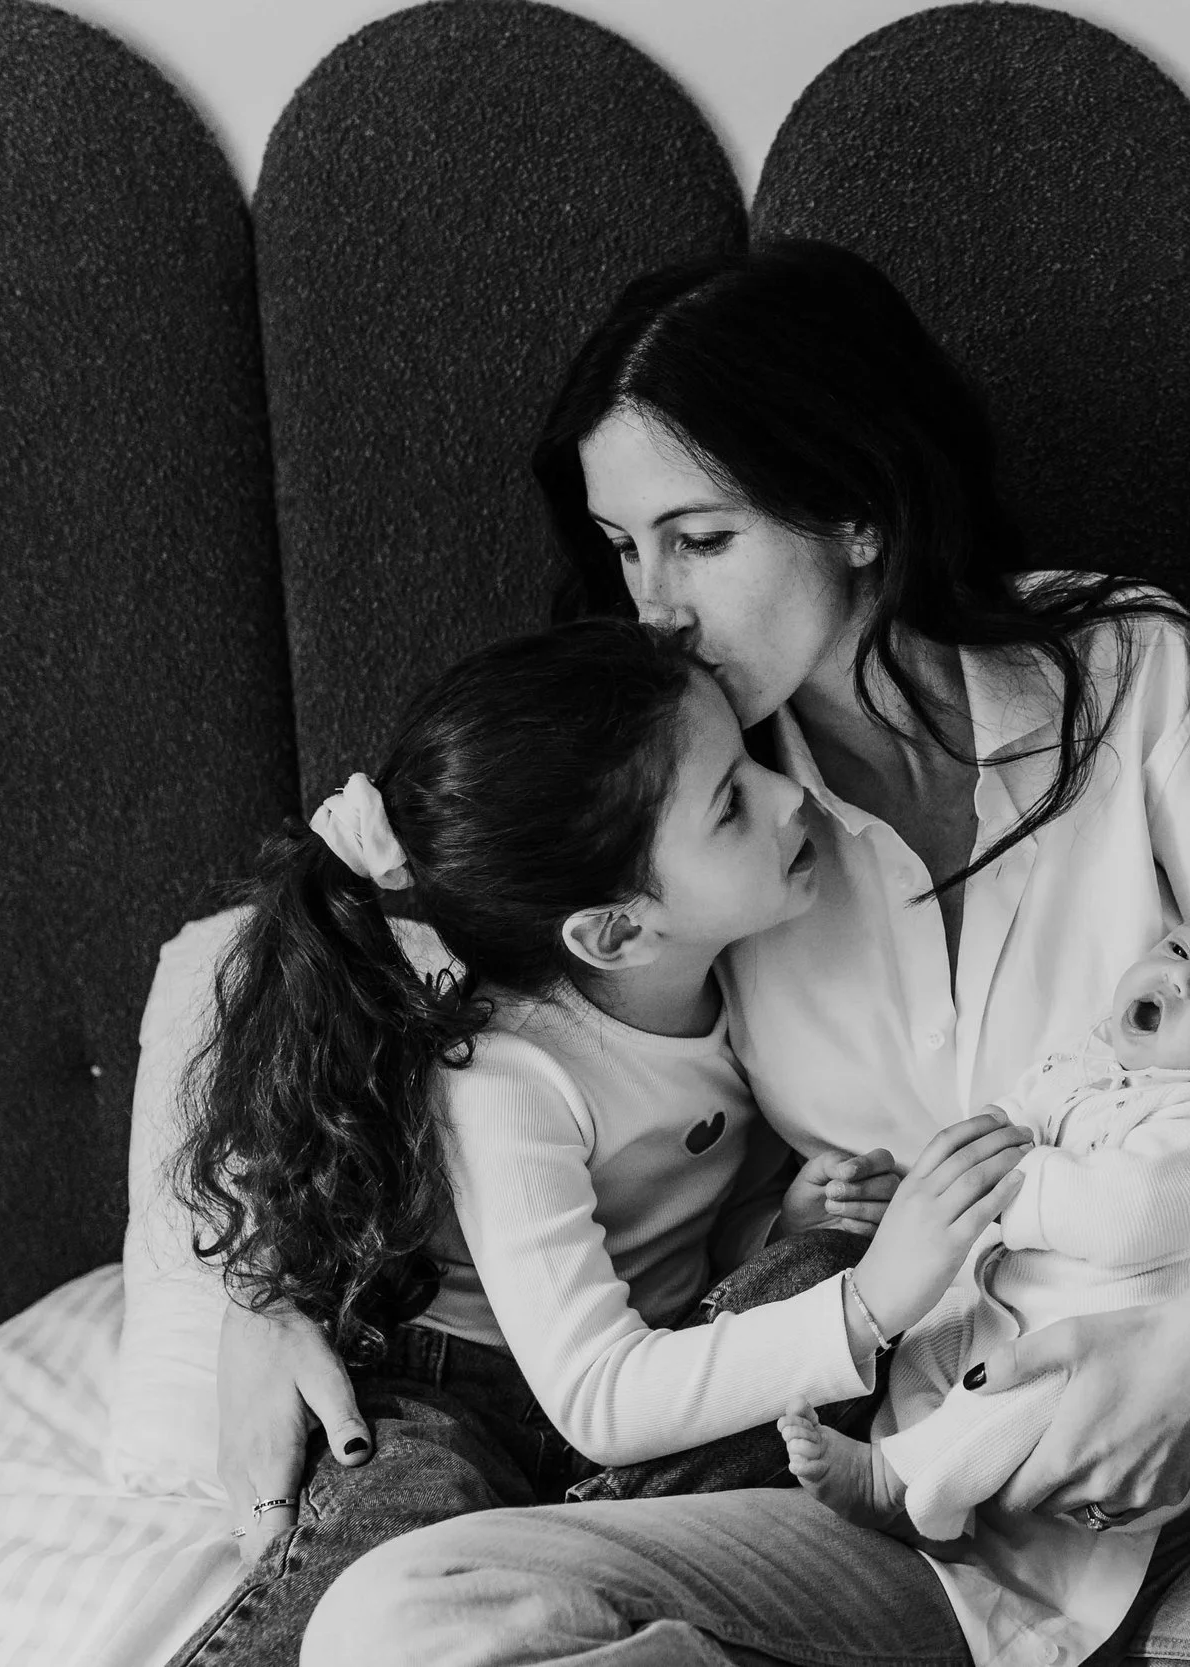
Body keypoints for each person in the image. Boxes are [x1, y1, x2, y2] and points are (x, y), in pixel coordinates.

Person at [284, 241, 1190, 1667]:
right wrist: (235, 1302)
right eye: (625, 548)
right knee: (410, 1613)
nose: (654, 606)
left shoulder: (1127, 673)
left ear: (854, 509)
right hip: (913, 1515)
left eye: (701, 538)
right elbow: (294, 946)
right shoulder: (678, 814)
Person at [164, 618, 1035, 1666]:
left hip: (643, 1384)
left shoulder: (745, 981)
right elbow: (596, 1390)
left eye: (753, 763)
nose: (789, 795)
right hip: (460, 1389)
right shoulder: (506, 1071)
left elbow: (693, 1248)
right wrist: (871, 1301)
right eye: (731, 802)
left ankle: (578, 1546)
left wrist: (780, 1223)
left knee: (816, 1270)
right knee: (382, 1554)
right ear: (615, 930)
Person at [780, 890, 1190, 1662]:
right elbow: (1009, 1119)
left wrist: (998, 1187)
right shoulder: (1092, 1059)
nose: (1181, 978)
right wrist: (933, 1180)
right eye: (1179, 948)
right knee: (936, 1346)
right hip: (1012, 1303)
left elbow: (1127, 1212)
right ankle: (928, 1489)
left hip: (1120, 1370)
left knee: (1031, 1391)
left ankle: (895, 1481)